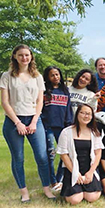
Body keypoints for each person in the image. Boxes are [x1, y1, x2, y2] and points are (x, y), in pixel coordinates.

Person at [0, 44, 56, 202]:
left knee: (42, 157)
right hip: (13, 121)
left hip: (34, 120)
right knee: (18, 158)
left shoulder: (37, 76)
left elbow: (40, 101)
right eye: (20, 55)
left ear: (31, 57)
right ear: (15, 57)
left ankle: (47, 188)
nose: (24, 58)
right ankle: (24, 192)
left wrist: (33, 122)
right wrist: (18, 123)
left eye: (27, 55)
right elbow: (5, 102)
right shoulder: (7, 76)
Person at [56, 104, 104, 205]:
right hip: (72, 169)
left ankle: (85, 188)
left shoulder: (95, 133)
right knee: (75, 200)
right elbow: (63, 155)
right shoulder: (66, 132)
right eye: (83, 113)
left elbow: (98, 153)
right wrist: (75, 172)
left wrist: (91, 172)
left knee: (92, 197)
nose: (86, 116)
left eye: (89, 114)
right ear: (77, 114)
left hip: (89, 169)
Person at [42, 66, 73, 191]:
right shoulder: (44, 91)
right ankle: (52, 181)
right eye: (52, 75)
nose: (55, 77)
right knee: (50, 154)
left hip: (63, 127)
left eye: (57, 74)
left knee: (65, 153)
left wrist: (69, 125)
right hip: (48, 127)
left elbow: (68, 110)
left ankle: (59, 178)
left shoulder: (65, 91)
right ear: (48, 77)